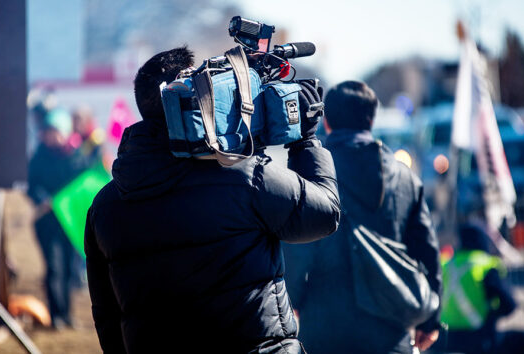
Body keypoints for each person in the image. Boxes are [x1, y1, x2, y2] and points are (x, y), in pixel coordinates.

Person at [84, 47, 340, 353]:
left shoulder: (104, 206)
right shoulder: (247, 177)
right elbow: (324, 214)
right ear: (189, 96)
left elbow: (107, 315)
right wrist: (305, 142)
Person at [283, 81, 442, 353]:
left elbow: (298, 246)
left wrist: (291, 301)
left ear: (327, 120)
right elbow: (427, 251)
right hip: (391, 325)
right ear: (371, 119)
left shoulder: (315, 172)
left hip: (325, 324)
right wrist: (430, 321)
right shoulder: (405, 176)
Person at [441, 222, 524, 354]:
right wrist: (491, 315)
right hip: (478, 339)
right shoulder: (486, 265)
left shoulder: (446, 265)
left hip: (445, 339)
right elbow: (509, 304)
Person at [28, 108, 81, 329]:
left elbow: (81, 186)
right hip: (47, 221)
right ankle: (55, 316)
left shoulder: (76, 155)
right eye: (47, 131)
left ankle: (67, 315)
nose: (50, 136)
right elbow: (31, 185)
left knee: (70, 269)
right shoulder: (39, 156)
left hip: (69, 222)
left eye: (54, 131)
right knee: (54, 268)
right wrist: (44, 200)